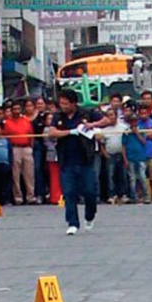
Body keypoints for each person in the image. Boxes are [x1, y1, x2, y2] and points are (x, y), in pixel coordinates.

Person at [47, 89, 104, 235]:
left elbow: (107, 120)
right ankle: (72, 223)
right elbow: (52, 132)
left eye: (65, 103)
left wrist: (92, 125)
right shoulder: (58, 116)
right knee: (69, 192)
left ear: (73, 103)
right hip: (66, 160)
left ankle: (90, 216)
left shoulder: (86, 113)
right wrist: (70, 132)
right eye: (61, 103)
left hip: (85, 160)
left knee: (90, 192)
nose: (63, 106)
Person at [4, 100, 36, 205]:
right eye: (14, 109)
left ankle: (30, 196)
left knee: (29, 174)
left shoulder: (26, 121)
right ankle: (18, 197)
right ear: (11, 111)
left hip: (26, 148)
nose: (16, 111)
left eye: (18, 109)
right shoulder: (7, 122)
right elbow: (6, 137)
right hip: (15, 148)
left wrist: (30, 147)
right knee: (15, 174)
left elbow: (31, 134)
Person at [122, 103, 151, 204]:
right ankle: (133, 196)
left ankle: (146, 196)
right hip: (130, 157)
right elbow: (123, 146)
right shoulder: (126, 132)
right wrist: (125, 158)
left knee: (142, 177)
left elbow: (144, 142)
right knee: (132, 178)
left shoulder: (141, 130)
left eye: (135, 121)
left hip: (140, 157)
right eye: (131, 121)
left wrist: (137, 133)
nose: (133, 123)